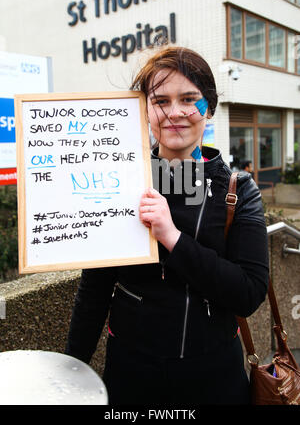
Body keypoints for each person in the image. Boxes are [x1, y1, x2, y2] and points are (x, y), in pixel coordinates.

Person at [65, 46, 269, 405]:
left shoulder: (239, 190)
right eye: (160, 101)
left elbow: (249, 293)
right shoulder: (118, 182)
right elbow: (94, 291)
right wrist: (69, 371)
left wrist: (171, 236)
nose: (175, 113)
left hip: (215, 375)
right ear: (144, 109)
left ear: (209, 107)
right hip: (133, 374)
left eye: (189, 99)